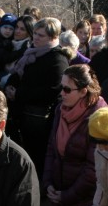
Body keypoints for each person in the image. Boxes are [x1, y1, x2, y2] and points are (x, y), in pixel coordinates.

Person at [43, 65, 106, 206]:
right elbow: (52, 148)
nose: (62, 93)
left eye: (67, 90)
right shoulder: (62, 110)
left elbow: (93, 169)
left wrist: (66, 196)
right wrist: (49, 183)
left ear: (84, 91)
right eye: (61, 88)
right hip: (63, 191)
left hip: (84, 197)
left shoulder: (98, 117)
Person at [5, 17, 71, 177]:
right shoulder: (31, 53)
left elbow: (52, 90)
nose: (35, 37)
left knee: (35, 158)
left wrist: (19, 94)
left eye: (41, 35)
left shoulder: (58, 59)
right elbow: (18, 75)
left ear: (53, 37)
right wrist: (9, 86)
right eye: (34, 33)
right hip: (22, 114)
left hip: (39, 120)